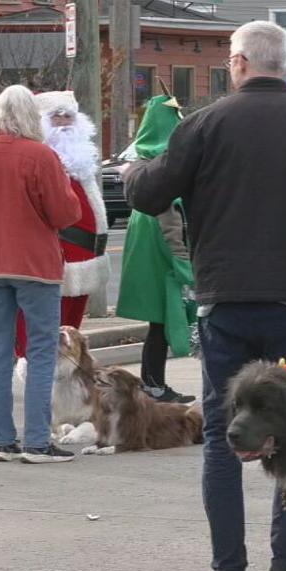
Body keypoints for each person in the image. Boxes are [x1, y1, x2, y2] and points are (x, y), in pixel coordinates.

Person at [121, 21, 286, 571]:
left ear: (236, 63)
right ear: (282, 63)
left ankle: (228, 570)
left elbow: (150, 195)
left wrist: (134, 171)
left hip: (224, 298)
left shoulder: (204, 124)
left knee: (223, 436)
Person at [0, 85, 81, 465]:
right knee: (40, 351)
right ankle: (38, 442)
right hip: (34, 265)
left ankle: (3, 439)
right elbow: (64, 213)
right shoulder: (41, 156)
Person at [13, 91, 110, 357]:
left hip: (86, 258)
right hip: (58, 257)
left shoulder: (80, 160)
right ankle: (34, 378)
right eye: (57, 116)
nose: (65, 121)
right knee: (43, 330)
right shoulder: (40, 158)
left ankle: (63, 376)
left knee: (70, 331)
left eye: (70, 115)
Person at [115, 94, 197, 404]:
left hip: (146, 240)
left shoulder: (142, 159)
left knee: (158, 320)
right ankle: (153, 384)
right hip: (161, 244)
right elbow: (171, 220)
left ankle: (154, 382)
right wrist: (182, 262)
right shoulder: (165, 159)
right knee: (163, 319)